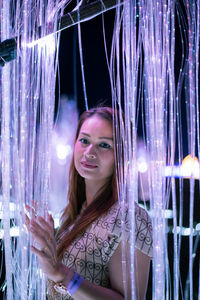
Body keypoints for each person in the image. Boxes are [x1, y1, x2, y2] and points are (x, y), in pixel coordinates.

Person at [26, 106, 153, 300]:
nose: (89, 152)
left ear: (122, 156)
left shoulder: (130, 218)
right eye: (84, 140)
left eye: (104, 145)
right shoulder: (74, 214)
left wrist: (63, 274)